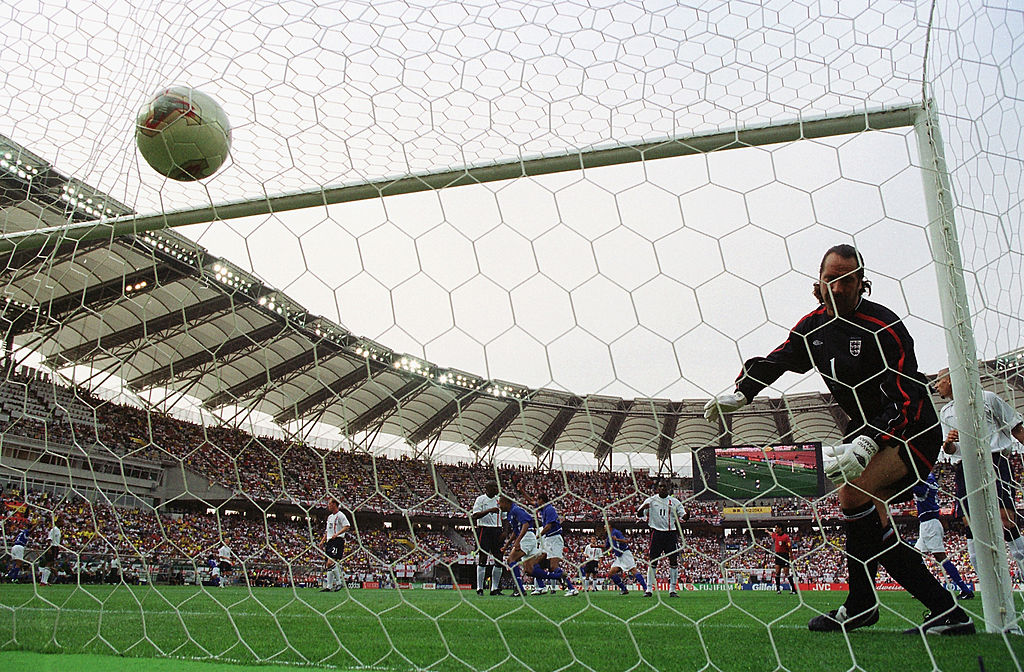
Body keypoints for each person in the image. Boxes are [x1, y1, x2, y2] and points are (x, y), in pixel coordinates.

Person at [704, 244, 973, 635]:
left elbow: (908, 397)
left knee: (855, 494)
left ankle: (866, 605)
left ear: (863, 284)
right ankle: (931, 610)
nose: (839, 286)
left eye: (848, 279)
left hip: (912, 428)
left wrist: (871, 441)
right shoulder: (813, 327)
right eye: (831, 278)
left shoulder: (884, 327)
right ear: (818, 284)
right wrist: (744, 391)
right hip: (864, 430)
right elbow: (780, 359)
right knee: (862, 509)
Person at [933, 367, 1024, 579]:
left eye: (939, 381)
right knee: (970, 521)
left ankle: (1021, 563)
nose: (936, 386)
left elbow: (1016, 428)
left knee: (1005, 519)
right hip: (966, 466)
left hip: (995, 461)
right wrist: (949, 443)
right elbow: (950, 451)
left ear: (951, 379)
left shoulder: (988, 399)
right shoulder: (946, 412)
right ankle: (985, 576)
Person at [911, 472, 974, 599]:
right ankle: (925, 588)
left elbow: (918, 491)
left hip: (930, 524)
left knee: (941, 558)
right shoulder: (931, 478)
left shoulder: (924, 482)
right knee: (914, 557)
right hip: (928, 524)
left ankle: (966, 590)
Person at [637, 480, 687, 597]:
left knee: (673, 562)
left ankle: (673, 589)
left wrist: (687, 514)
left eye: (665, 487)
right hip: (656, 533)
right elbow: (639, 515)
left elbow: (684, 516)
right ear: (657, 488)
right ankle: (649, 589)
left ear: (668, 488)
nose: (663, 489)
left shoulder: (674, 501)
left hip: (670, 534)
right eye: (661, 487)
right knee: (653, 561)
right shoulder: (651, 500)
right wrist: (643, 508)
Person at [533, 494, 579, 596]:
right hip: (548, 540)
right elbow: (532, 503)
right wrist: (522, 490)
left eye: (538, 499)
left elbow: (548, 527)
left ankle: (572, 588)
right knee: (535, 564)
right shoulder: (543, 509)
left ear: (542, 500)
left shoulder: (549, 509)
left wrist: (537, 537)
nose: (536, 502)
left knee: (553, 567)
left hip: (554, 539)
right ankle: (541, 587)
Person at [498, 494, 543, 596]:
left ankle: (519, 589)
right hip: (525, 537)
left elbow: (526, 524)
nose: (499, 506)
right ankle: (555, 576)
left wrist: (518, 541)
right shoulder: (510, 513)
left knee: (511, 560)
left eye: (500, 503)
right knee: (529, 570)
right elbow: (515, 531)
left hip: (527, 537)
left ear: (505, 502)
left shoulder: (516, 510)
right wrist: (507, 545)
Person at [470, 480, 504, 596]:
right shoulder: (481, 499)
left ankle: (494, 588)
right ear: (487, 488)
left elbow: (505, 517)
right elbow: (474, 515)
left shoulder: (499, 500)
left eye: (496, 486)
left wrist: (506, 531)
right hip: (484, 529)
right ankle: (480, 588)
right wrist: (489, 510)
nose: (496, 488)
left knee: (499, 558)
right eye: (494, 487)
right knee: (483, 558)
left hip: (497, 530)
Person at [602, 522, 649, 595]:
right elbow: (606, 546)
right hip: (619, 557)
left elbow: (626, 541)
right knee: (611, 573)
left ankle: (646, 589)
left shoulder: (616, 532)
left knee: (633, 570)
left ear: (609, 525)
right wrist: (596, 546)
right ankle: (624, 589)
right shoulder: (609, 535)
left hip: (625, 554)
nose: (604, 527)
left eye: (605, 525)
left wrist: (617, 539)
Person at [322, 497, 351, 592]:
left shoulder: (341, 515)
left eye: (330, 504)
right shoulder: (330, 517)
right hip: (330, 541)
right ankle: (329, 586)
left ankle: (339, 582)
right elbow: (327, 530)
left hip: (337, 540)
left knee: (331, 562)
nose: (328, 506)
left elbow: (347, 526)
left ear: (334, 504)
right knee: (328, 564)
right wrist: (322, 541)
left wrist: (337, 534)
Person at [769, 526, 798, 595]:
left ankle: (794, 590)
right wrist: (767, 531)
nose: (775, 529)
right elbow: (771, 534)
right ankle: (778, 590)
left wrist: (791, 557)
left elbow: (789, 547)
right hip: (778, 555)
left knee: (786, 573)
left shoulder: (786, 537)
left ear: (780, 528)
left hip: (784, 555)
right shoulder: (775, 535)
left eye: (776, 528)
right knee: (777, 572)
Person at [39, 516, 61, 586]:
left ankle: (44, 581)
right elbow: (49, 539)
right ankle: (43, 581)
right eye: (62, 522)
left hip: (55, 547)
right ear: (58, 522)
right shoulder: (54, 529)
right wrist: (49, 548)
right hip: (52, 547)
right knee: (49, 563)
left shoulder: (58, 530)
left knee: (50, 564)